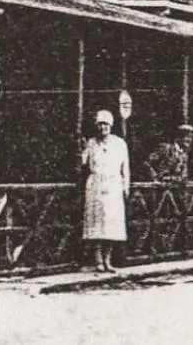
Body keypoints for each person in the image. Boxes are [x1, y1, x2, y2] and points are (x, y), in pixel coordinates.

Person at [81, 109, 130, 272]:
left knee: (111, 226)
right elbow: (83, 162)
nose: (103, 127)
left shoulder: (119, 143)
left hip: (113, 185)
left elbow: (126, 168)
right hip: (95, 184)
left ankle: (108, 260)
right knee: (96, 225)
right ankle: (98, 261)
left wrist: (125, 187)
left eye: (106, 124)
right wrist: (80, 150)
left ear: (111, 125)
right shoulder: (91, 143)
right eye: (100, 124)